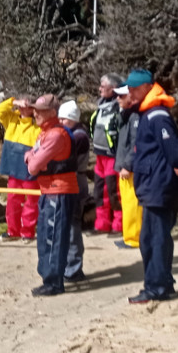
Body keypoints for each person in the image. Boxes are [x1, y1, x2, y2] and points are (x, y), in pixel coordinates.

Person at [123, 69, 178, 303]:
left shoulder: (157, 116)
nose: (130, 94)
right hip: (155, 187)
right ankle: (163, 283)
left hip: (160, 188)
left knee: (153, 239)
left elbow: (176, 153)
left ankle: (156, 288)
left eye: (134, 89)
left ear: (147, 87)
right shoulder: (149, 114)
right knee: (155, 238)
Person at [24, 94, 79, 296]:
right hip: (50, 190)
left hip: (59, 191)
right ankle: (51, 278)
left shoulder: (55, 135)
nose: (35, 112)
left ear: (52, 113)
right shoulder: (45, 134)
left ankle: (54, 282)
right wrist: (33, 158)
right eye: (35, 109)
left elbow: (33, 166)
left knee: (53, 237)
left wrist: (34, 159)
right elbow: (31, 157)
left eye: (40, 109)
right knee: (46, 236)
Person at [0, 94, 40, 241]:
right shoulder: (12, 119)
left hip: (30, 170)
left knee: (31, 202)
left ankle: (27, 232)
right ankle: (12, 231)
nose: (22, 107)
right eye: (21, 104)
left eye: (26, 105)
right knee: (13, 201)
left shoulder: (37, 124)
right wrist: (13, 101)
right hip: (13, 169)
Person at [58, 100, 90, 282]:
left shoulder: (78, 136)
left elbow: (65, 158)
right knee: (69, 225)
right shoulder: (74, 133)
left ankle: (74, 269)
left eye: (64, 119)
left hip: (76, 181)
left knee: (72, 226)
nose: (61, 123)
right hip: (74, 180)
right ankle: (69, 267)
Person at [89, 74, 124, 233]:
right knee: (99, 191)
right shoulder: (101, 104)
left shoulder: (120, 106)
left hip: (113, 156)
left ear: (114, 88)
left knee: (113, 191)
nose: (100, 89)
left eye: (103, 87)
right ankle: (102, 223)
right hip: (99, 155)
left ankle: (119, 224)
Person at [112, 85, 143, 249]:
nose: (118, 99)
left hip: (129, 169)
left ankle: (134, 238)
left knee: (133, 203)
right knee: (127, 203)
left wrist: (127, 165)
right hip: (123, 166)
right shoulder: (127, 115)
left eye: (122, 96)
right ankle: (128, 235)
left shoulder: (135, 117)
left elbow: (135, 144)